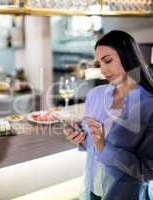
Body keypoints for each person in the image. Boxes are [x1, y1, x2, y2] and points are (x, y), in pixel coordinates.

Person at [65, 30, 153, 200]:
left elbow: (148, 172)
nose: (103, 70)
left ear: (127, 57)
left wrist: (104, 147)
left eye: (108, 61)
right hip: (93, 190)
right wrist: (81, 137)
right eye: (99, 64)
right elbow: (92, 144)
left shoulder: (149, 106)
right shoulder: (95, 95)